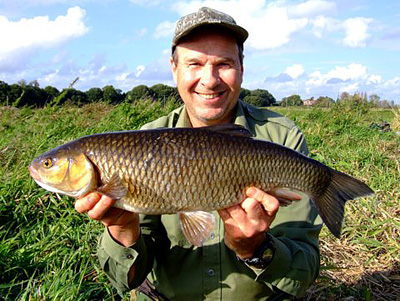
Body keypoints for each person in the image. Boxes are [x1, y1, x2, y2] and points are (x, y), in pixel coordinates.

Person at [75, 7, 322, 300]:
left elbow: (305, 270)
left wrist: (256, 249)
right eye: (194, 63)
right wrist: (123, 230)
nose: (209, 79)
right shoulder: (144, 141)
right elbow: (125, 280)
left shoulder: (281, 138)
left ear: (241, 68)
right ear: (174, 68)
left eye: (224, 63)